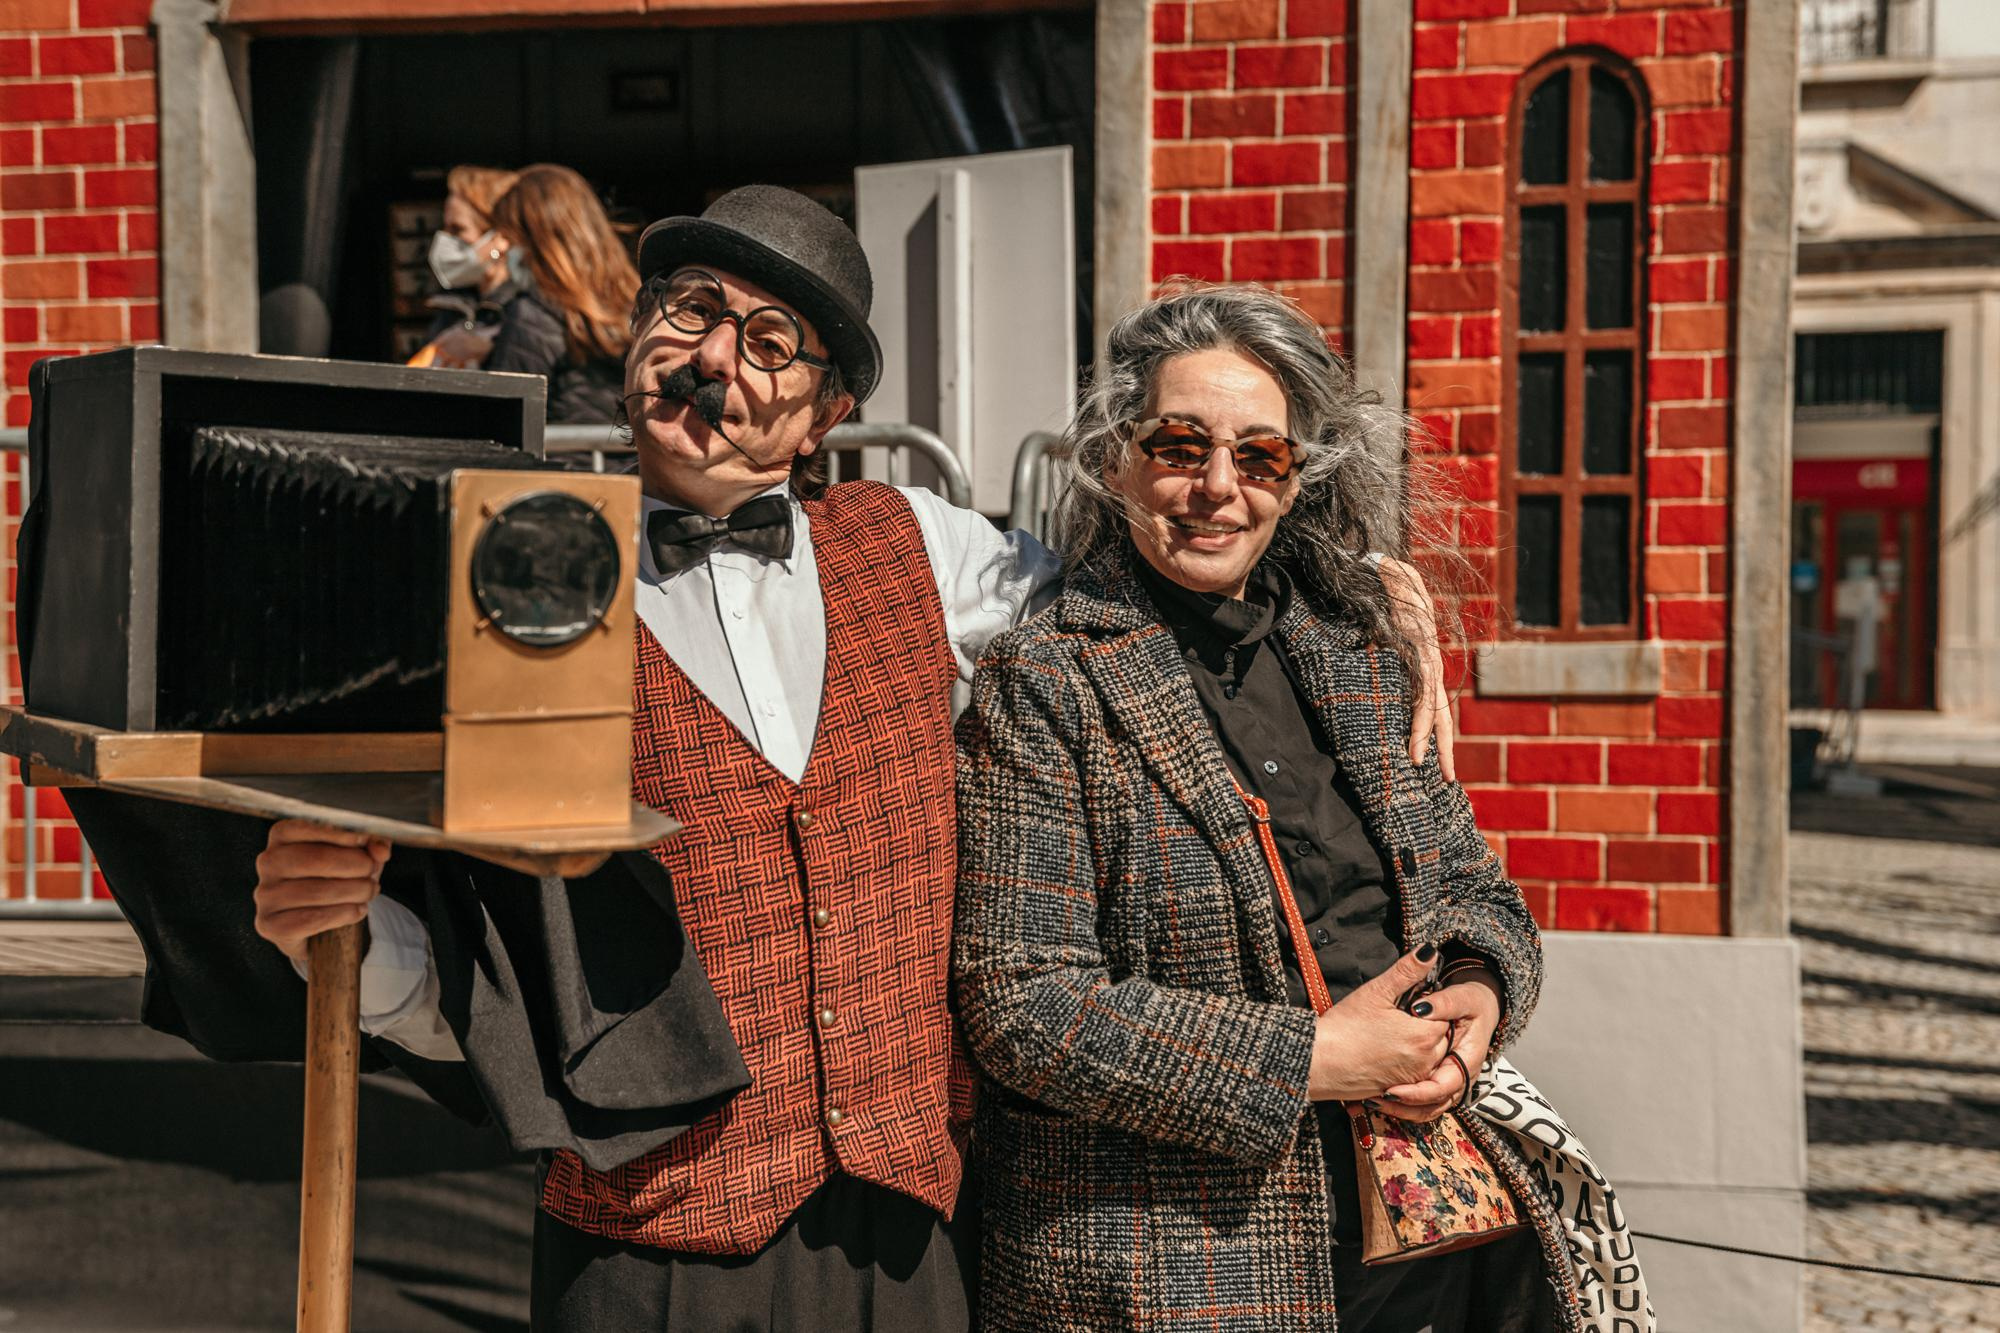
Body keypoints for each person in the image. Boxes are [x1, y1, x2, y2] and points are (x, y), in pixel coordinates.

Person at [246, 195, 1455, 1332]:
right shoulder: (522, 574)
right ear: (636, 337)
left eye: (770, 340)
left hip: (908, 1238)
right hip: (648, 1246)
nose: (715, 358)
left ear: (827, 411)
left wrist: (1355, 602)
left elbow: (1163, 569)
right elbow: (493, 941)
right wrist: (351, 938)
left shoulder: (918, 545)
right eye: (689, 311)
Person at [952, 284, 1645, 1332]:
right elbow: (1024, 1003)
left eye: (1258, 456)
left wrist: (1477, 993)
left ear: (1295, 476)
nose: (1215, 488)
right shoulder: (1046, 679)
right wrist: (1315, 1058)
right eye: (1178, 446)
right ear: (1113, 460)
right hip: (1175, 1268)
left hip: (1421, 1240)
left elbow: (1470, 887)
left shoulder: (1355, 653)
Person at [416, 164, 637, 424]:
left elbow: (505, 419)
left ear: (535, 242)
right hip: (620, 458)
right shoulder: (630, 299)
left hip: (558, 460)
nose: (508, 249)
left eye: (512, 237)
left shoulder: (533, 313)